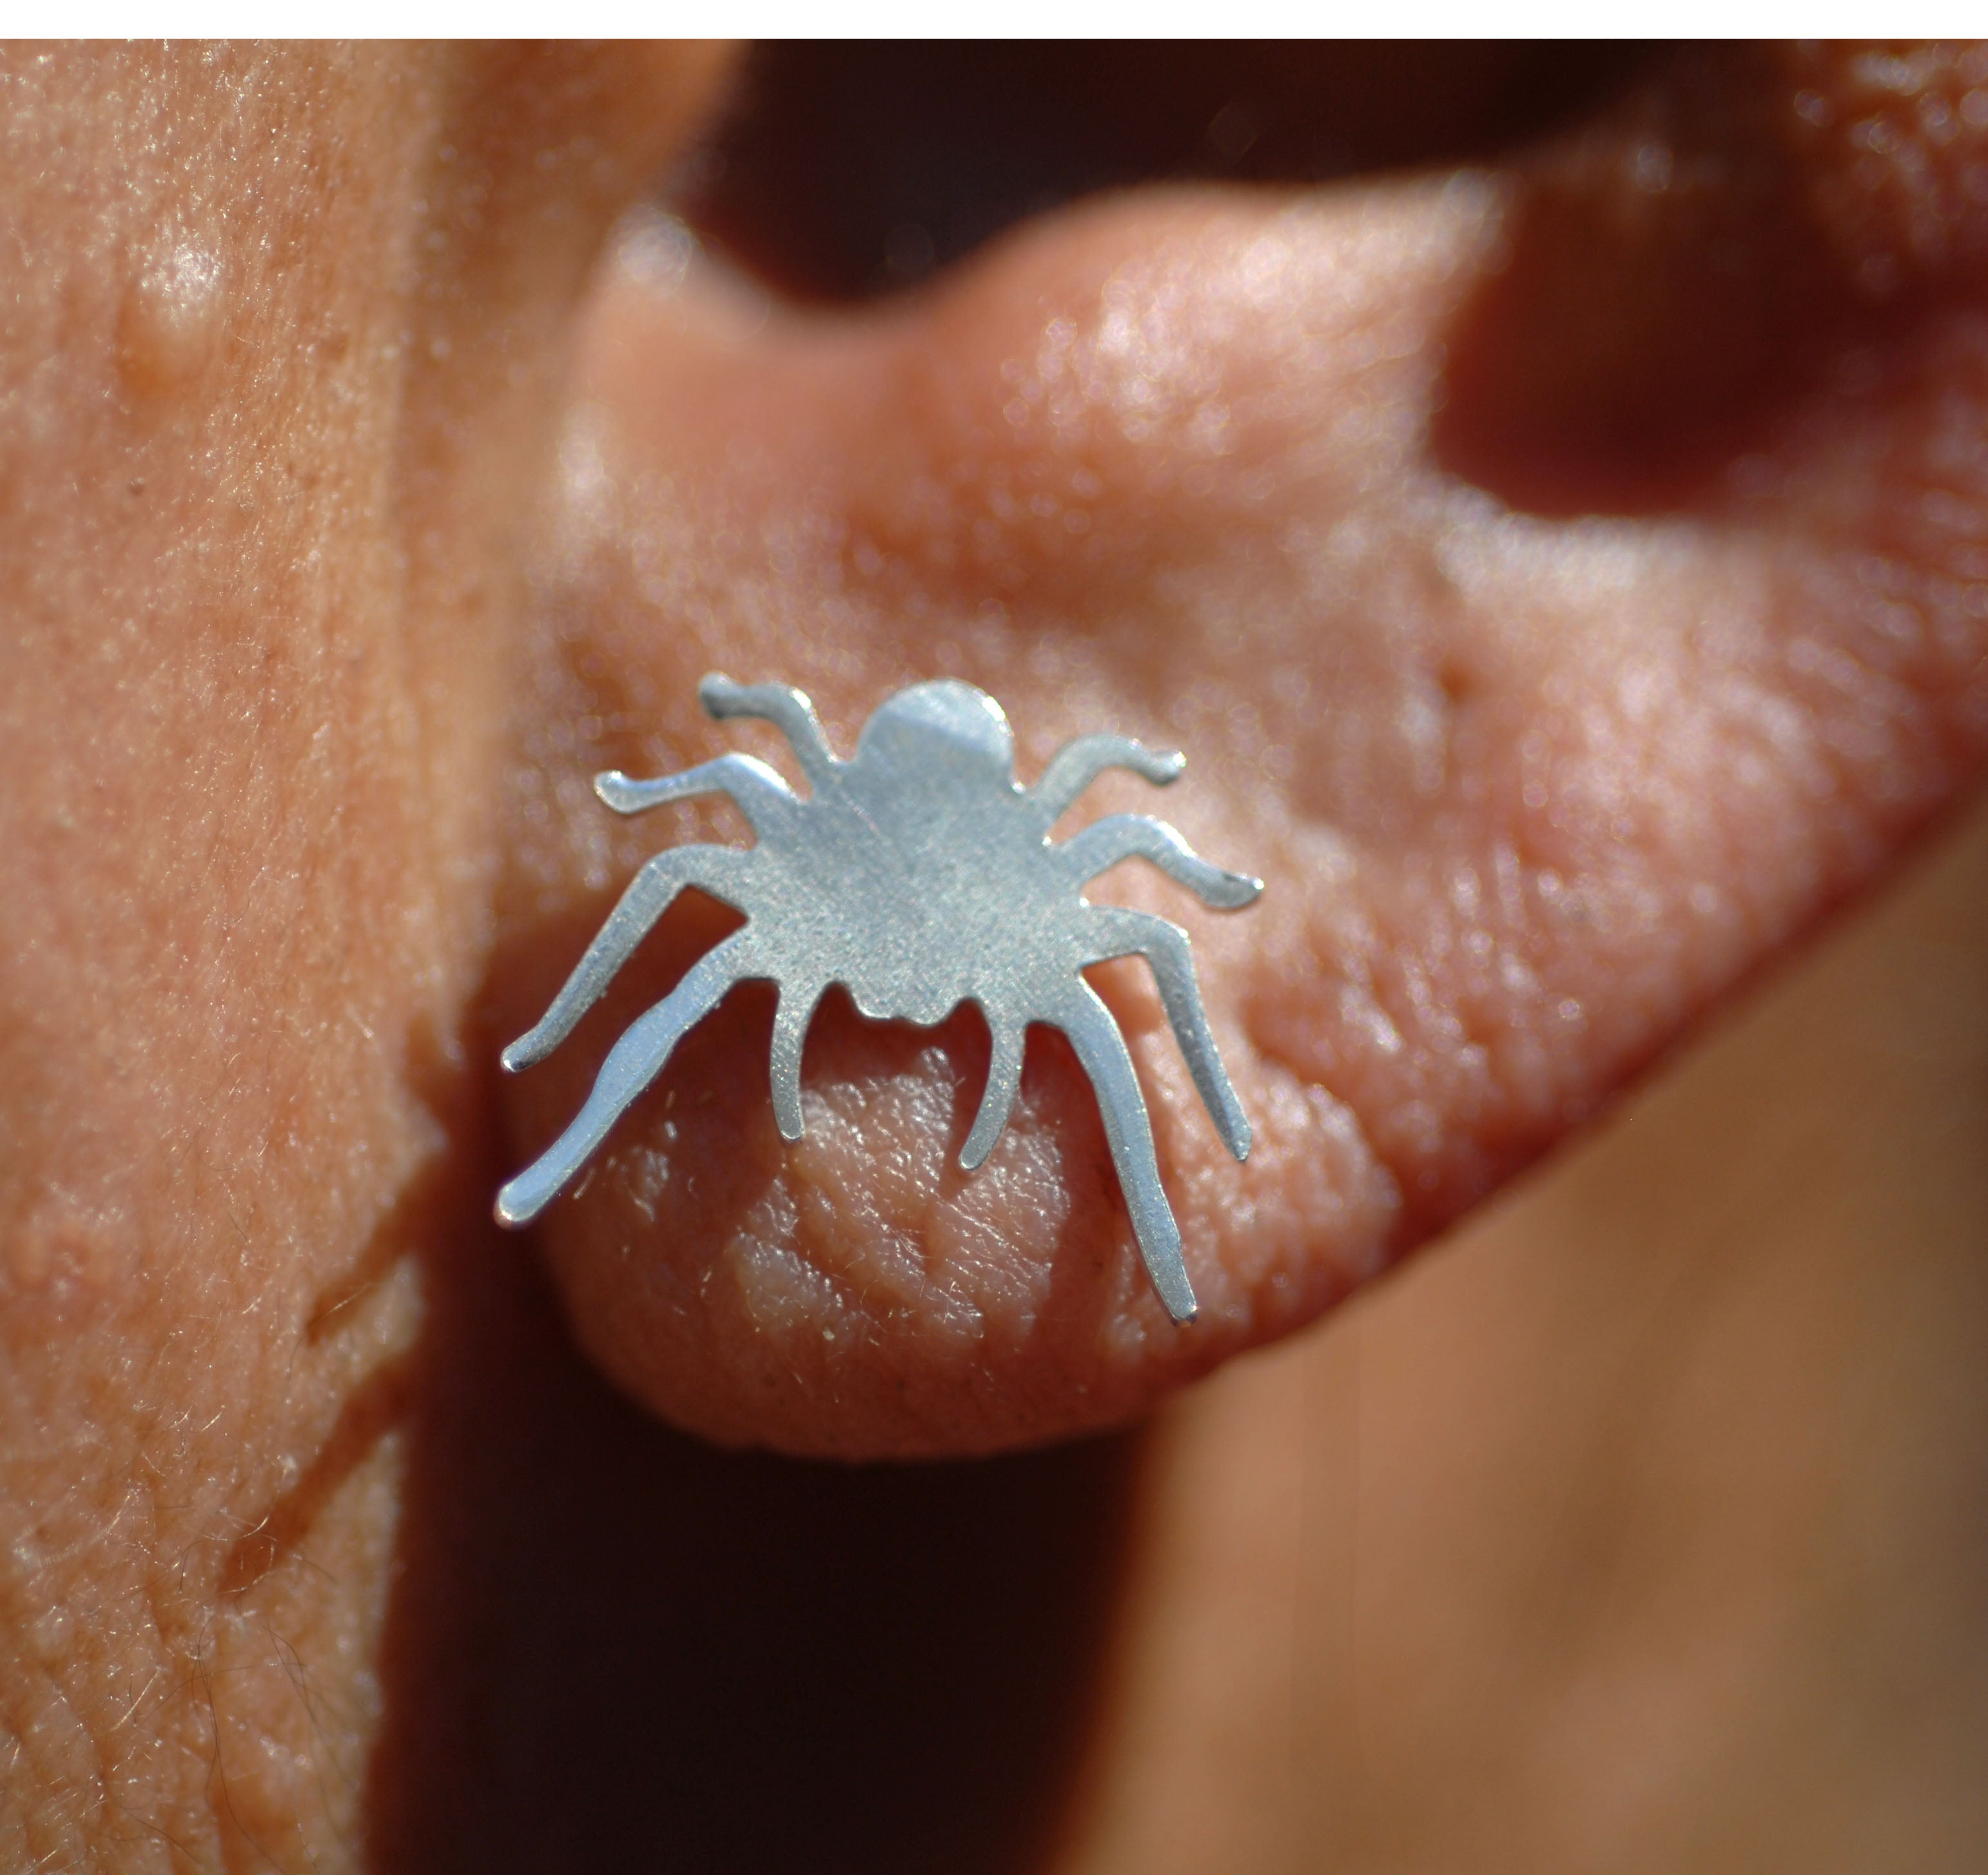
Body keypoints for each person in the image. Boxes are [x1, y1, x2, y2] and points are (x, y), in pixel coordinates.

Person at [3, 39, 1985, 1870]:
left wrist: (1197, 1082)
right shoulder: (876, 817)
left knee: (961, 1011)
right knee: (731, 963)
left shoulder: (1019, 840)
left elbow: (1116, 872)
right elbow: (808, 816)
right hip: (903, 852)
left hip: (913, 854)